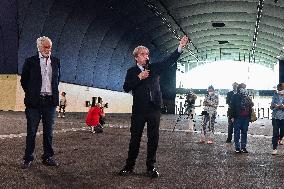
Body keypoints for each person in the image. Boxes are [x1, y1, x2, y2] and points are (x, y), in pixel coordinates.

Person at [119, 35, 189, 178]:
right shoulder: (131, 72)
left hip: (154, 109)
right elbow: (126, 87)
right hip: (139, 111)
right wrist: (139, 77)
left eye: (147, 54)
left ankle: (150, 167)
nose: (146, 57)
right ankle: (129, 166)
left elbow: (169, 61)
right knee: (135, 139)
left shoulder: (154, 68)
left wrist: (180, 47)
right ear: (136, 57)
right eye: (143, 54)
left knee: (153, 139)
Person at [20, 36, 60, 169]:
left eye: (50, 47)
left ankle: (48, 157)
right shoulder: (30, 61)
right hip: (34, 103)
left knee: (49, 132)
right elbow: (24, 81)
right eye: (46, 47)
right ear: (39, 47)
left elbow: (57, 80)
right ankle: (28, 158)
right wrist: (32, 93)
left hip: (50, 103)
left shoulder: (56, 61)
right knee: (31, 131)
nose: (48, 49)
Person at [228, 83, 254, 153]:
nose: (244, 89)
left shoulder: (247, 96)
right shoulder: (235, 96)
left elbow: (251, 105)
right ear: (239, 89)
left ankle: (243, 147)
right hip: (237, 117)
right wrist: (232, 117)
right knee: (237, 133)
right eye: (243, 88)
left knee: (244, 132)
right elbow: (231, 107)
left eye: (245, 87)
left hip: (246, 117)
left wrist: (249, 99)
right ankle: (237, 147)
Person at [270, 83, 284, 155]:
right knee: (275, 133)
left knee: (282, 132)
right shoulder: (275, 95)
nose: (279, 91)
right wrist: (273, 106)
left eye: (281, 89)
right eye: (279, 89)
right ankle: (274, 148)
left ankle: (281, 138)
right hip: (275, 117)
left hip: (283, 117)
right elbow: (271, 106)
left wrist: (283, 106)